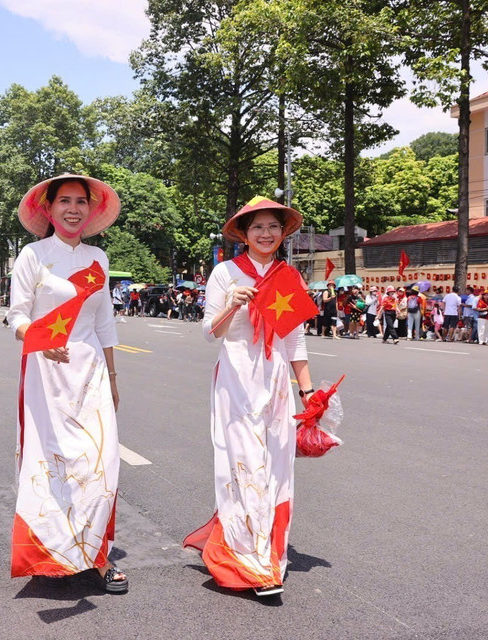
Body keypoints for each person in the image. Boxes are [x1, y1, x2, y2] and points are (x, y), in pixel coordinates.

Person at [183, 196, 314, 598]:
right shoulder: (225, 273)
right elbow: (210, 333)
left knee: (275, 467)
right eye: (257, 227)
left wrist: (308, 393)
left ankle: (268, 553)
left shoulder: (287, 275)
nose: (266, 233)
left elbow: (295, 340)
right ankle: (248, 560)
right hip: (237, 379)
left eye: (273, 226)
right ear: (243, 233)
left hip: (274, 383)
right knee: (244, 465)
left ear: (283, 232)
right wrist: (232, 306)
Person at [7, 174, 127, 593]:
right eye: (64, 201)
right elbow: (16, 316)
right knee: (52, 465)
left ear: (91, 211)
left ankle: (97, 552)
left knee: (102, 464)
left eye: (81, 202)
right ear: (49, 208)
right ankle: (53, 552)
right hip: (46, 372)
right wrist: (40, 340)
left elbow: (104, 321)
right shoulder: (32, 256)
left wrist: (112, 378)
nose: (73, 209)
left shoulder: (100, 257)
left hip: (90, 369)